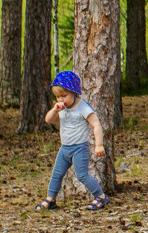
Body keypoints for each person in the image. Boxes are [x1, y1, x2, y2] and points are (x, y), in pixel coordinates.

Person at [38, 70, 108, 211]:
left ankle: (101, 196)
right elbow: (48, 120)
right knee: (57, 174)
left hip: (79, 148)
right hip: (65, 148)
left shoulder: (83, 108)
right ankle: (50, 199)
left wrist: (99, 145)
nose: (61, 100)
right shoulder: (60, 108)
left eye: (64, 96)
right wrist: (55, 110)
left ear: (74, 93)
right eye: (58, 97)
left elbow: (96, 125)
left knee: (82, 175)